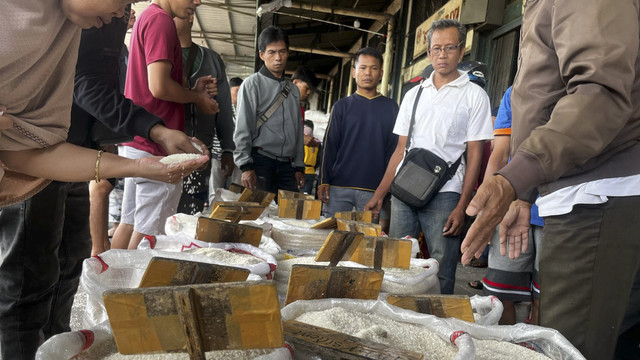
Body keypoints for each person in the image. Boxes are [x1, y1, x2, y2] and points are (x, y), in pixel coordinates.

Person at [0, 2, 206, 359]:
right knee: (25, 285)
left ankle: (54, 349)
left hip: (68, 152)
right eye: (122, 2)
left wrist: (142, 166)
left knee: (65, 266)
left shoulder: (74, 23)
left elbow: (29, 154)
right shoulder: (17, 19)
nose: (125, 13)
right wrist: (152, 131)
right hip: (51, 160)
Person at [461, 2, 640, 358]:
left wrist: (514, 177)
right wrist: (524, 194)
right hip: (577, 191)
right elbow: (546, 97)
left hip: (596, 194)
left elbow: (599, 94)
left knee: (569, 347)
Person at [366, 19, 493, 294]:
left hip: (446, 192)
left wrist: (463, 205)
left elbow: (475, 154)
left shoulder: (474, 96)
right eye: (436, 48)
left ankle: (438, 326)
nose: (442, 55)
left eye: (449, 48)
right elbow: (400, 151)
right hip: (405, 189)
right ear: (428, 52)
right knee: (397, 261)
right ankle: (396, 315)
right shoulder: (414, 95)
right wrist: (380, 193)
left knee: (442, 268)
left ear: (461, 51)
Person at [111, 0, 219, 250]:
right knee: (148, 233)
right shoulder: (161, 21)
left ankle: (111, 282)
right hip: (155, 146)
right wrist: (197, 98)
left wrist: (192, 90)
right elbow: (158, 86)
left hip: (137, 139)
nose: (198, 2)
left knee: (129, 223)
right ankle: (129, 286)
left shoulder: (149, 17)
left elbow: (158, 81)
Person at [477, 86, 542, 325]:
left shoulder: (576, 86)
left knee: (545, 297)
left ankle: (534, 348)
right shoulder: (514, 93)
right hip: (511, 206)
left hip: (557, 210)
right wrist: (485, 207)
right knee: (499, 291)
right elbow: (499, 154)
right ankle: (506, 347)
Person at [318, 47, 398, 219]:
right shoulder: (341, 106)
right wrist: (323, 180)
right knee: (333, 237)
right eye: (363, 68)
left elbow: (394, 153)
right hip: (339, 187)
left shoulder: (391, 108)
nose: (368, 72)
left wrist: (385, 191)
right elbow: (329, 145)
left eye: (373, 68)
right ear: (354, 72)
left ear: (381, 73)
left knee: (367, 241)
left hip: (373, 190)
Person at [174, 15, 235, 214]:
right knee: (163, 210)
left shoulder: (212, 60)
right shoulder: (161, 58)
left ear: (190, 17)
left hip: (201, 151)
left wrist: (227, 148)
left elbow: (224, 107)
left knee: (193, 210)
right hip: (167, 149)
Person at [233, 26, 305, 194]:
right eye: (272, 52)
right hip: (260, 162)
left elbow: (297, 129)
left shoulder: (292, 89)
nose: (278, 58)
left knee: (288, 218)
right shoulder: (251, 84)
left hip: (288, 166)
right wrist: (245, 166)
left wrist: (299, 166)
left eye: (282, 51)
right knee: (258, 217)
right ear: (261, 55)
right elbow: (242, 127)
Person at [209, 77, 243, 198]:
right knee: (215, 191)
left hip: (238, 158)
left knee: (235, 193)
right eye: (237, 91)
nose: (240, 95)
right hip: (217, 155)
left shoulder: (243, 110)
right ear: (228, 91)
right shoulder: (220, 106)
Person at [302, 120, 321, 195]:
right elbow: (318, 160)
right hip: (311, 172)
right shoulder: (317, 143)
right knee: (305, 196)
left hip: (301, 171)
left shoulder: (301, 140)